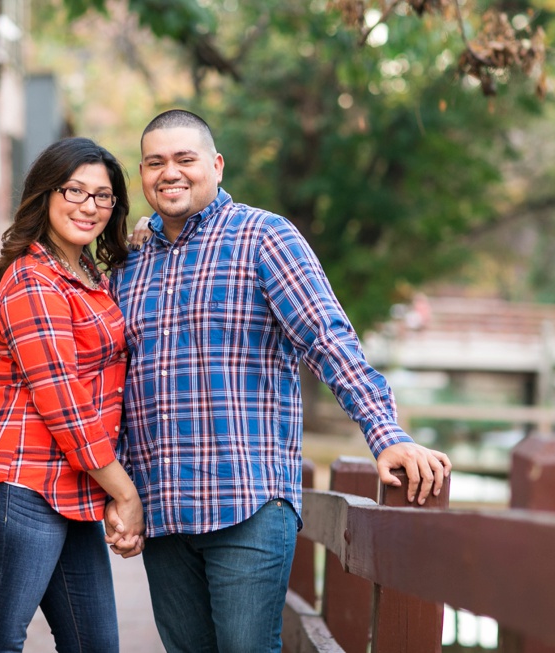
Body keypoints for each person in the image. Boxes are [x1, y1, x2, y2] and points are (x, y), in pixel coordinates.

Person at [105, 109, 452, 653]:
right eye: (155, 162)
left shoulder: (264, 237)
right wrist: (120, 489)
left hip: (247, 502)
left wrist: (386, 433)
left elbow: (327, 338)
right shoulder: (128, 262)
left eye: (184, 159)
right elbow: (117, 385)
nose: (169, 172)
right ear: (142, 174)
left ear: (216, 166)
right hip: (164, 510)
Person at [0, 137, 145, 653]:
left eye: (103, 197)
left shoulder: (86, 276)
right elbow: (64, 400)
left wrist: (148, 234)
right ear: (45, 193)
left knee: (95, 645)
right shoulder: (34, 280)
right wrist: (125, 492)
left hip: (75, 491)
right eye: (74, 190)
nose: (88, 206)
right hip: (22, 482)